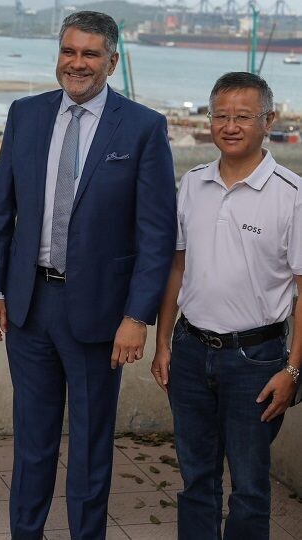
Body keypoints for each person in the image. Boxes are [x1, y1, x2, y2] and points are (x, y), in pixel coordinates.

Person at [0, 11, 177, 539]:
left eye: (91, 54)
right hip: (29, 307)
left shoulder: (143, 127)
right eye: (69, 51)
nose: (77, 63)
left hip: (100, 315)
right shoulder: (25, 114)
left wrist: (137, 316)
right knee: (32, 442)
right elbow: (0, 210)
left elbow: (156, 234)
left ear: (112, 61)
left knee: (90, 447)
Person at [150, 72, 302, 540]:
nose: (230, 126)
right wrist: (163, 342)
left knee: (250, 487)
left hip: (256, 362)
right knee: (196, 479)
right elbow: (177, 267)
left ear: (268, 121)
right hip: (190, 350)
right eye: (221, 116)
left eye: (243, 117)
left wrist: (293, 371)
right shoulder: (193, 184)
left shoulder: (291, 195)